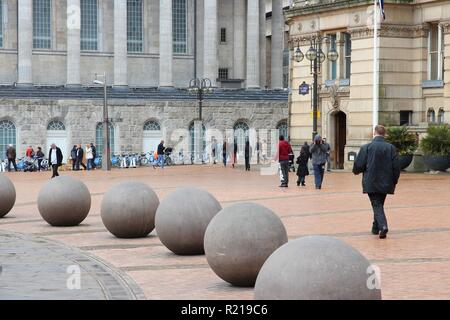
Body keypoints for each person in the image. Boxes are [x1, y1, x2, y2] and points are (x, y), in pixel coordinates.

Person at [352, 125, 400, 239]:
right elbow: (396, 167)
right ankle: (375, 227)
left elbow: (359, 165)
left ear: (374, 133)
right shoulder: (391, 148)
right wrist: (394, 181)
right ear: (384, 134)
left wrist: (356, 171)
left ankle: (383, 226)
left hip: (371, 181)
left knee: (377, 204)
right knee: (379, 203)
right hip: (386, 182)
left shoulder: (367, 147)